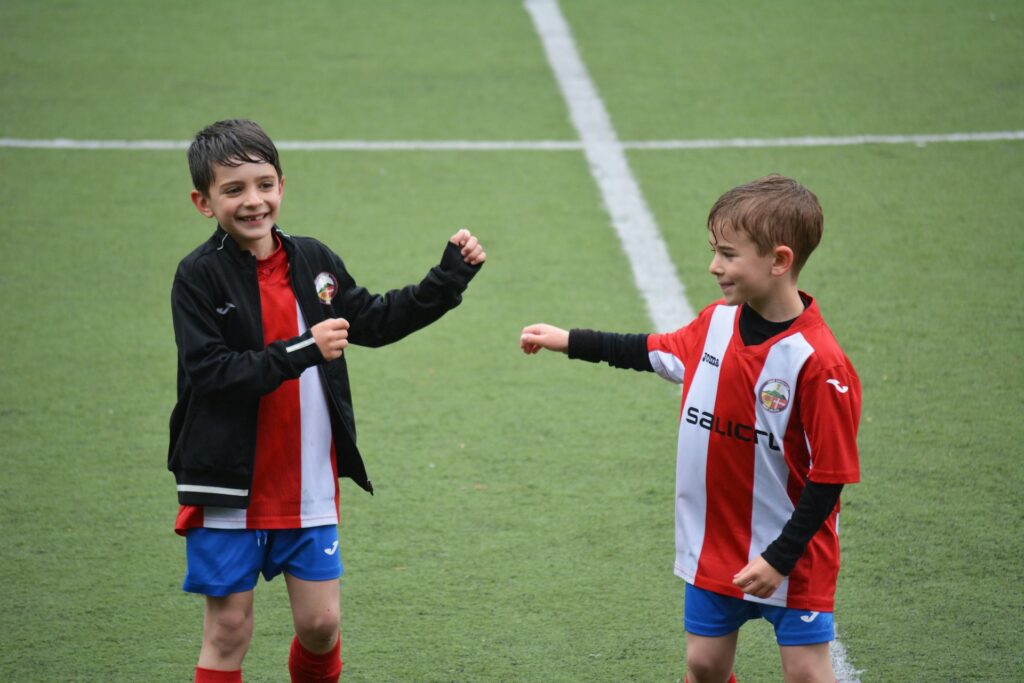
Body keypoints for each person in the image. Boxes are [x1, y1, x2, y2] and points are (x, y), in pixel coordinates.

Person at [168, 119, 486, 683]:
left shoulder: (312, 260)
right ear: (203, 201)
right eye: (233, 189)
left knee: (320, 625)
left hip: (306, 480)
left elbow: (375, 320)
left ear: (282, 185)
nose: (253, 201)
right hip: (227, 485)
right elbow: (210, 372)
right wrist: (302, 349)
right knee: (228, 631)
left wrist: (448, 278)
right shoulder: (198, 276)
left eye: (264, 184)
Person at [519, 175, 860, 683]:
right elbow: (649, 349)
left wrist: (778, 558)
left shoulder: (820, 363)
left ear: (779, 260)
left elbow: (829, 477)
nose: (714, 266)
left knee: (808, 675)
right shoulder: (715, 324)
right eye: (713, 251)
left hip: (793, 555)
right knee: (703, 665)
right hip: (714, 544)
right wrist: (569, 340)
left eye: (727, 254)